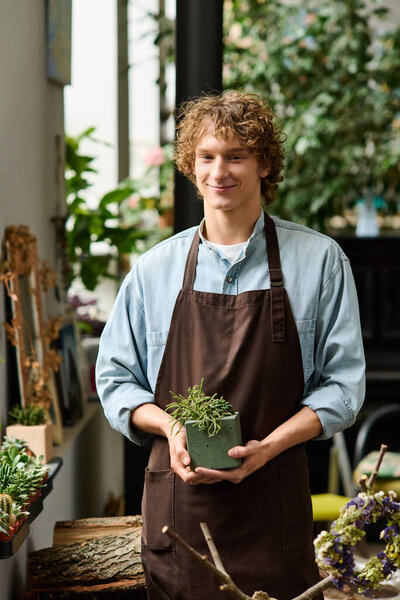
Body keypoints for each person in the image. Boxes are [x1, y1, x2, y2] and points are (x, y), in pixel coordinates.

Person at [96, 91, 365, 600]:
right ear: (191, 165)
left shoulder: (321, 261)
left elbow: (344, 387)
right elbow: (114, 380)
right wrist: (171, 427)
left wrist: (266, 449)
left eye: (236, 156)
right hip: (180, 518)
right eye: (207, 156)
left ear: (264, 164)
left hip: (273, 513)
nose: (220, 171)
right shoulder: (155, 270)